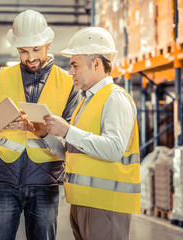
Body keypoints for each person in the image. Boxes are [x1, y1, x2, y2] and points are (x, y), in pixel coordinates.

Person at [0, 10, 81, 240]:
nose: (30, 57)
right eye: (23, 51)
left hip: (45, 182)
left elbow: (73, 135)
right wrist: (2, 123)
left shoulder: (68, 83)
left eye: (35, 49)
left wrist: (49, 129)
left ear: (48, 43)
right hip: (3, 180)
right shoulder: (1, 78)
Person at [42, 27, 141, 240]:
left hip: (105, 206)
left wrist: (67, 130)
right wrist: (46, 135)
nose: (71, 72)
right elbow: (76, 152)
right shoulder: (87, 101)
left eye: (75, 65)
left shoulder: (115, 98)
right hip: (84, 202)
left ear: (96, 64)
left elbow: (114, 149)